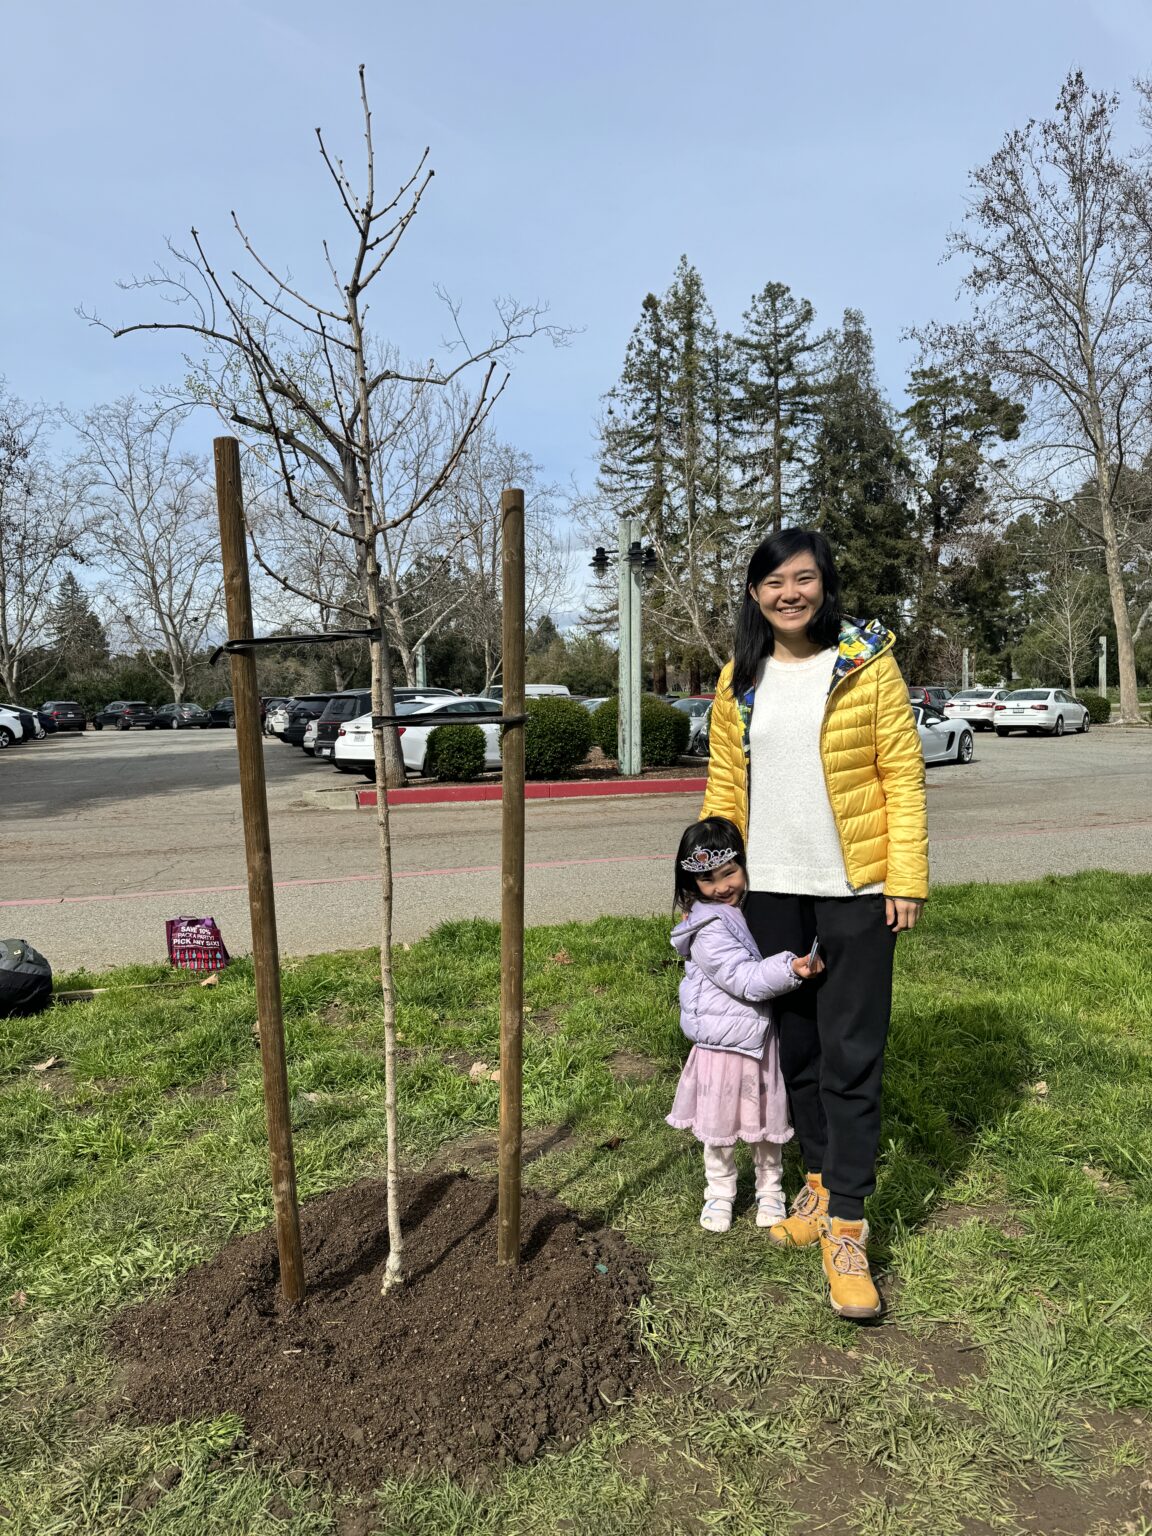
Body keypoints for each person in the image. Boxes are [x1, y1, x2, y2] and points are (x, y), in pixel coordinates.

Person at [701, 528, 928, 1320]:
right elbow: (725, 788)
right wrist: (714, 882)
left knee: (851, 1056)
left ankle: (850, 1229)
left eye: (803, 579)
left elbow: (901, 773)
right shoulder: (741, 678)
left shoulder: (864, 665)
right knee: (796, 1048)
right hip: (769, 896)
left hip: (854, 891)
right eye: (773, 582)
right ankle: (821, 1183)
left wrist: (905, 877)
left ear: (825, 587)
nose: (788, 593)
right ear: (756, 594)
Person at [666, 816, 825, 1235]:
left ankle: (770, 1190)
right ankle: (719, 1192)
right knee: (718, 1129)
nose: (722, 886)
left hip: (755, 1040)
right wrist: (792, 967)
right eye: (708, 880)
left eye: (729, 872)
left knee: (765, 1123)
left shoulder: (739, 910)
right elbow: (745, 980)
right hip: (723, 1044)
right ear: (692, 883)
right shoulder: (708, 930)